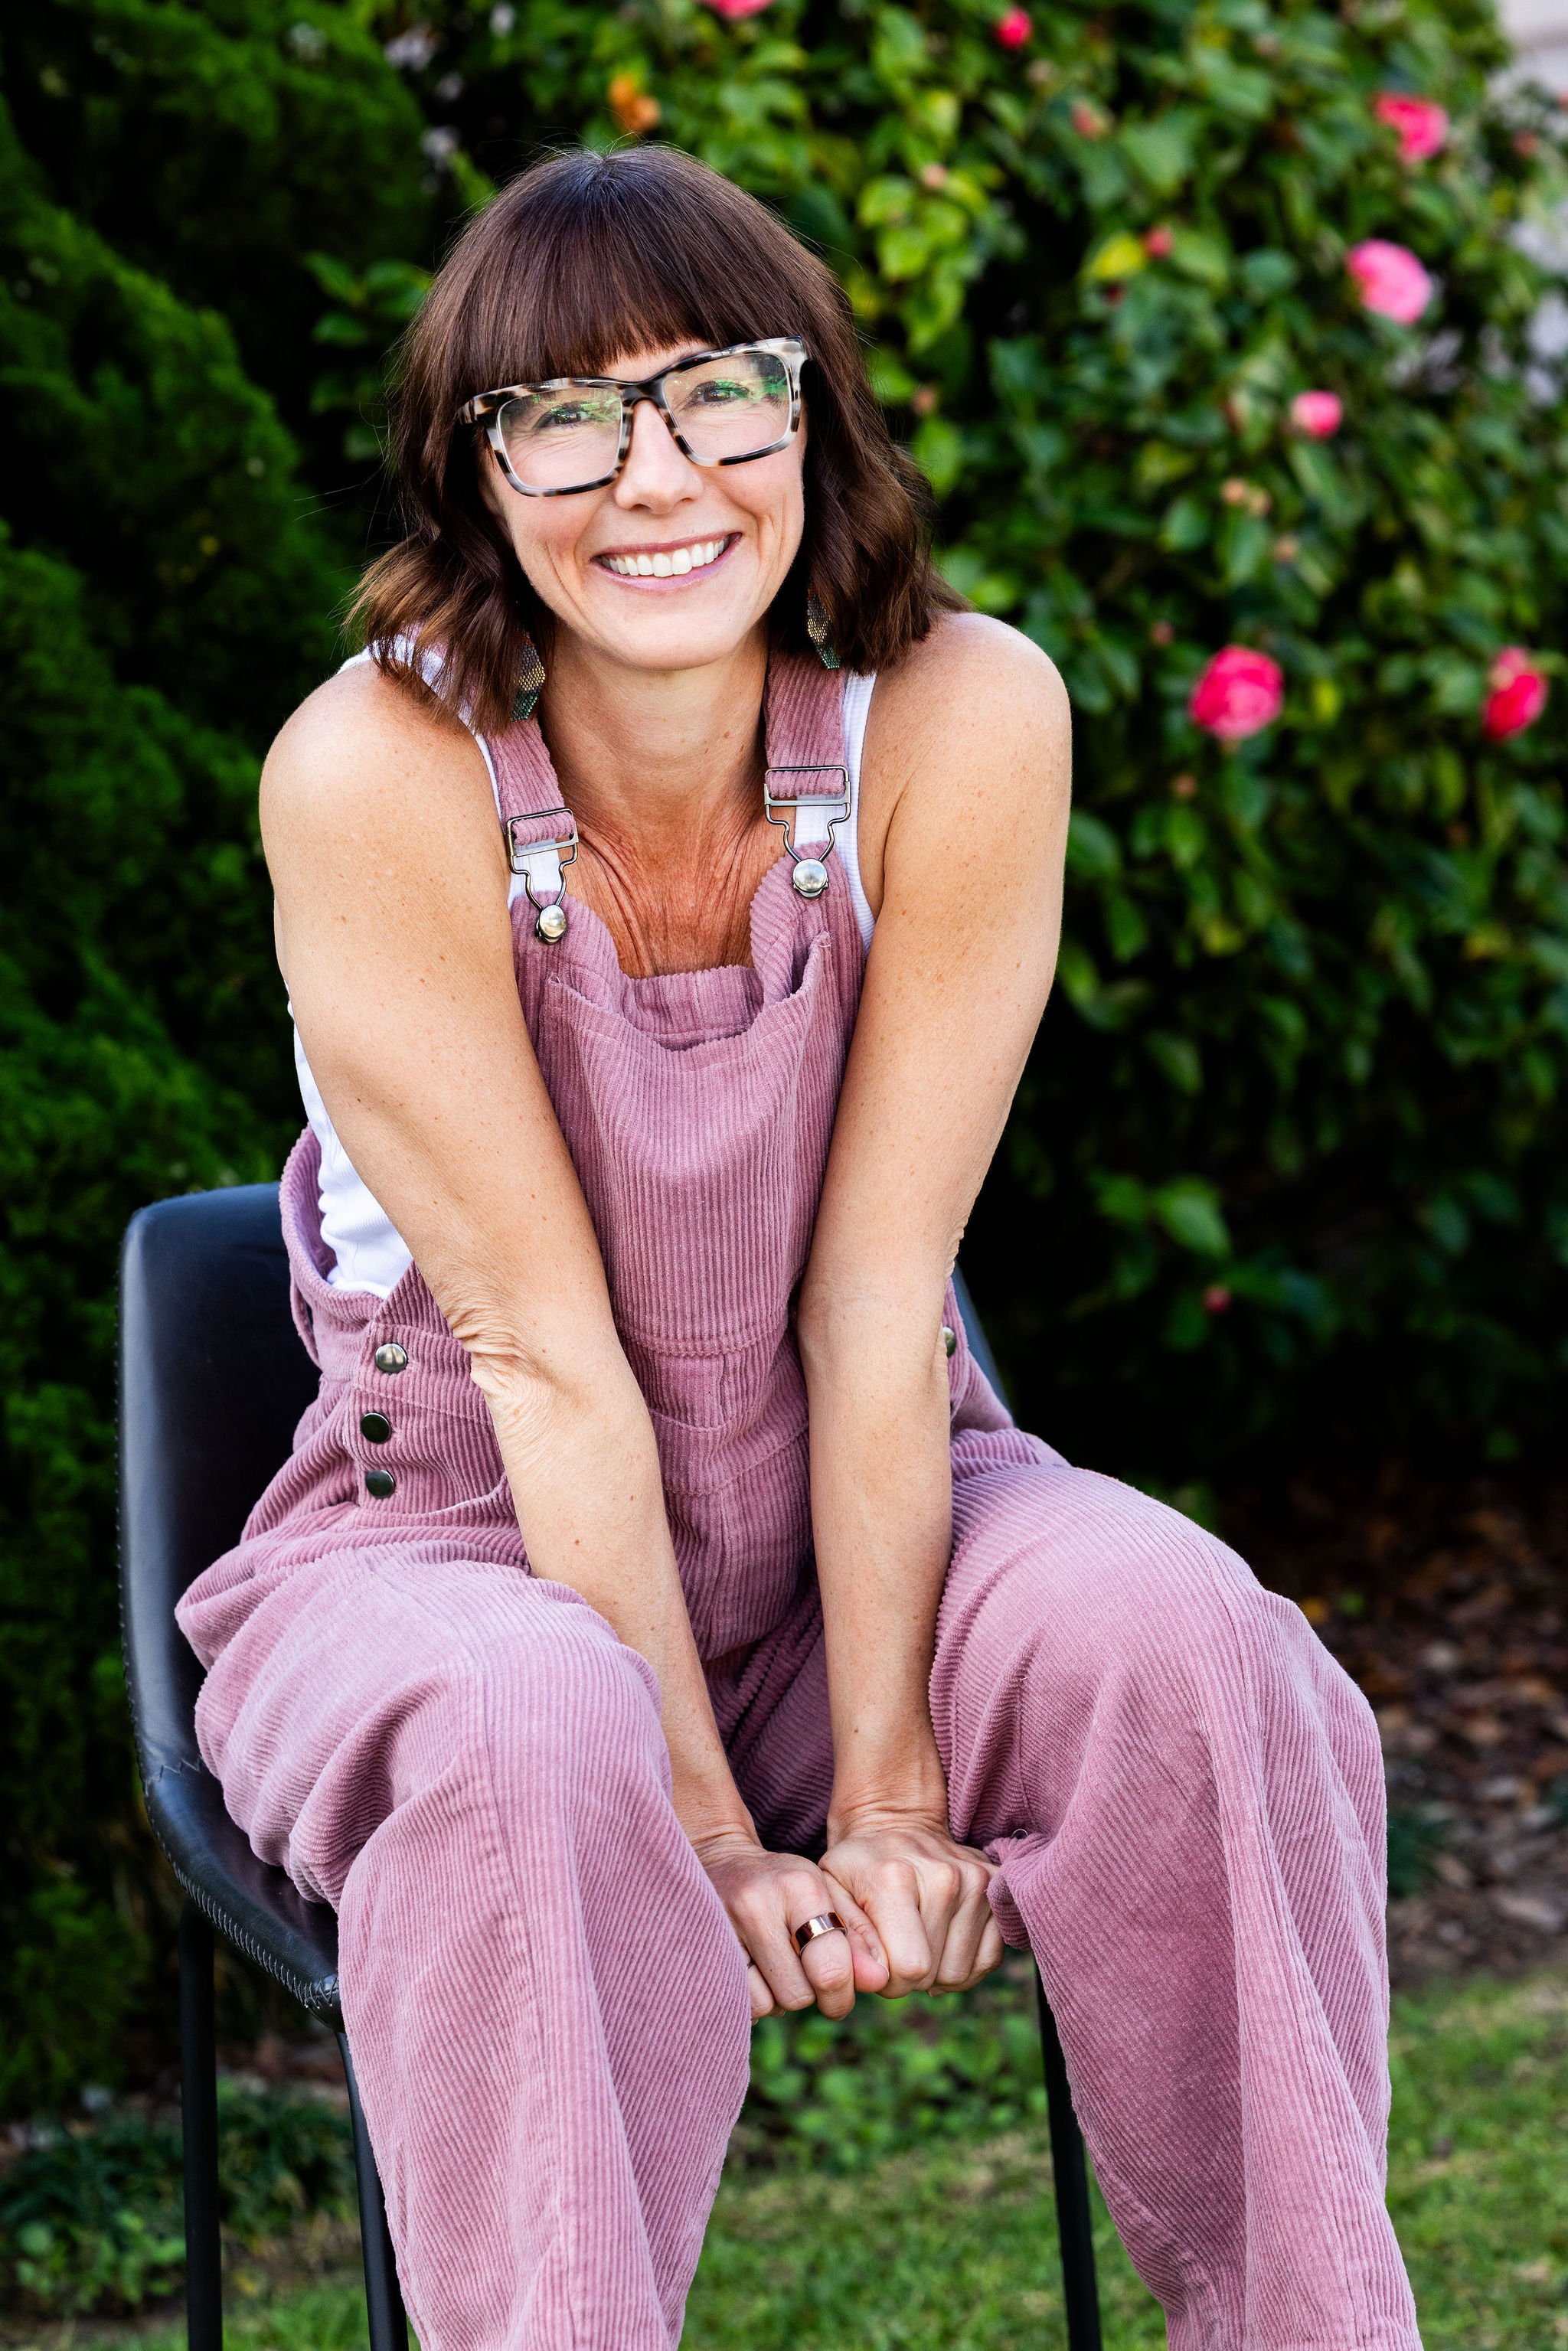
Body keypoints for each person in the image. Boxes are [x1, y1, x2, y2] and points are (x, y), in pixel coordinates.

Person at [177, 145, 1420, 2351]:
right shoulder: (373, 775)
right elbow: (544, 1355)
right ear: (473, 476)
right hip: (454, 1546)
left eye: (720, 394)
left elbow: (873, 1303)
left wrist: (886, 1800)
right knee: (519, 1720)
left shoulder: (965, 719)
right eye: (563, 412)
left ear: (812, 418)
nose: (656, 476)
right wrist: (712, 1829)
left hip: (872, 1506)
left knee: (1191, 1643)